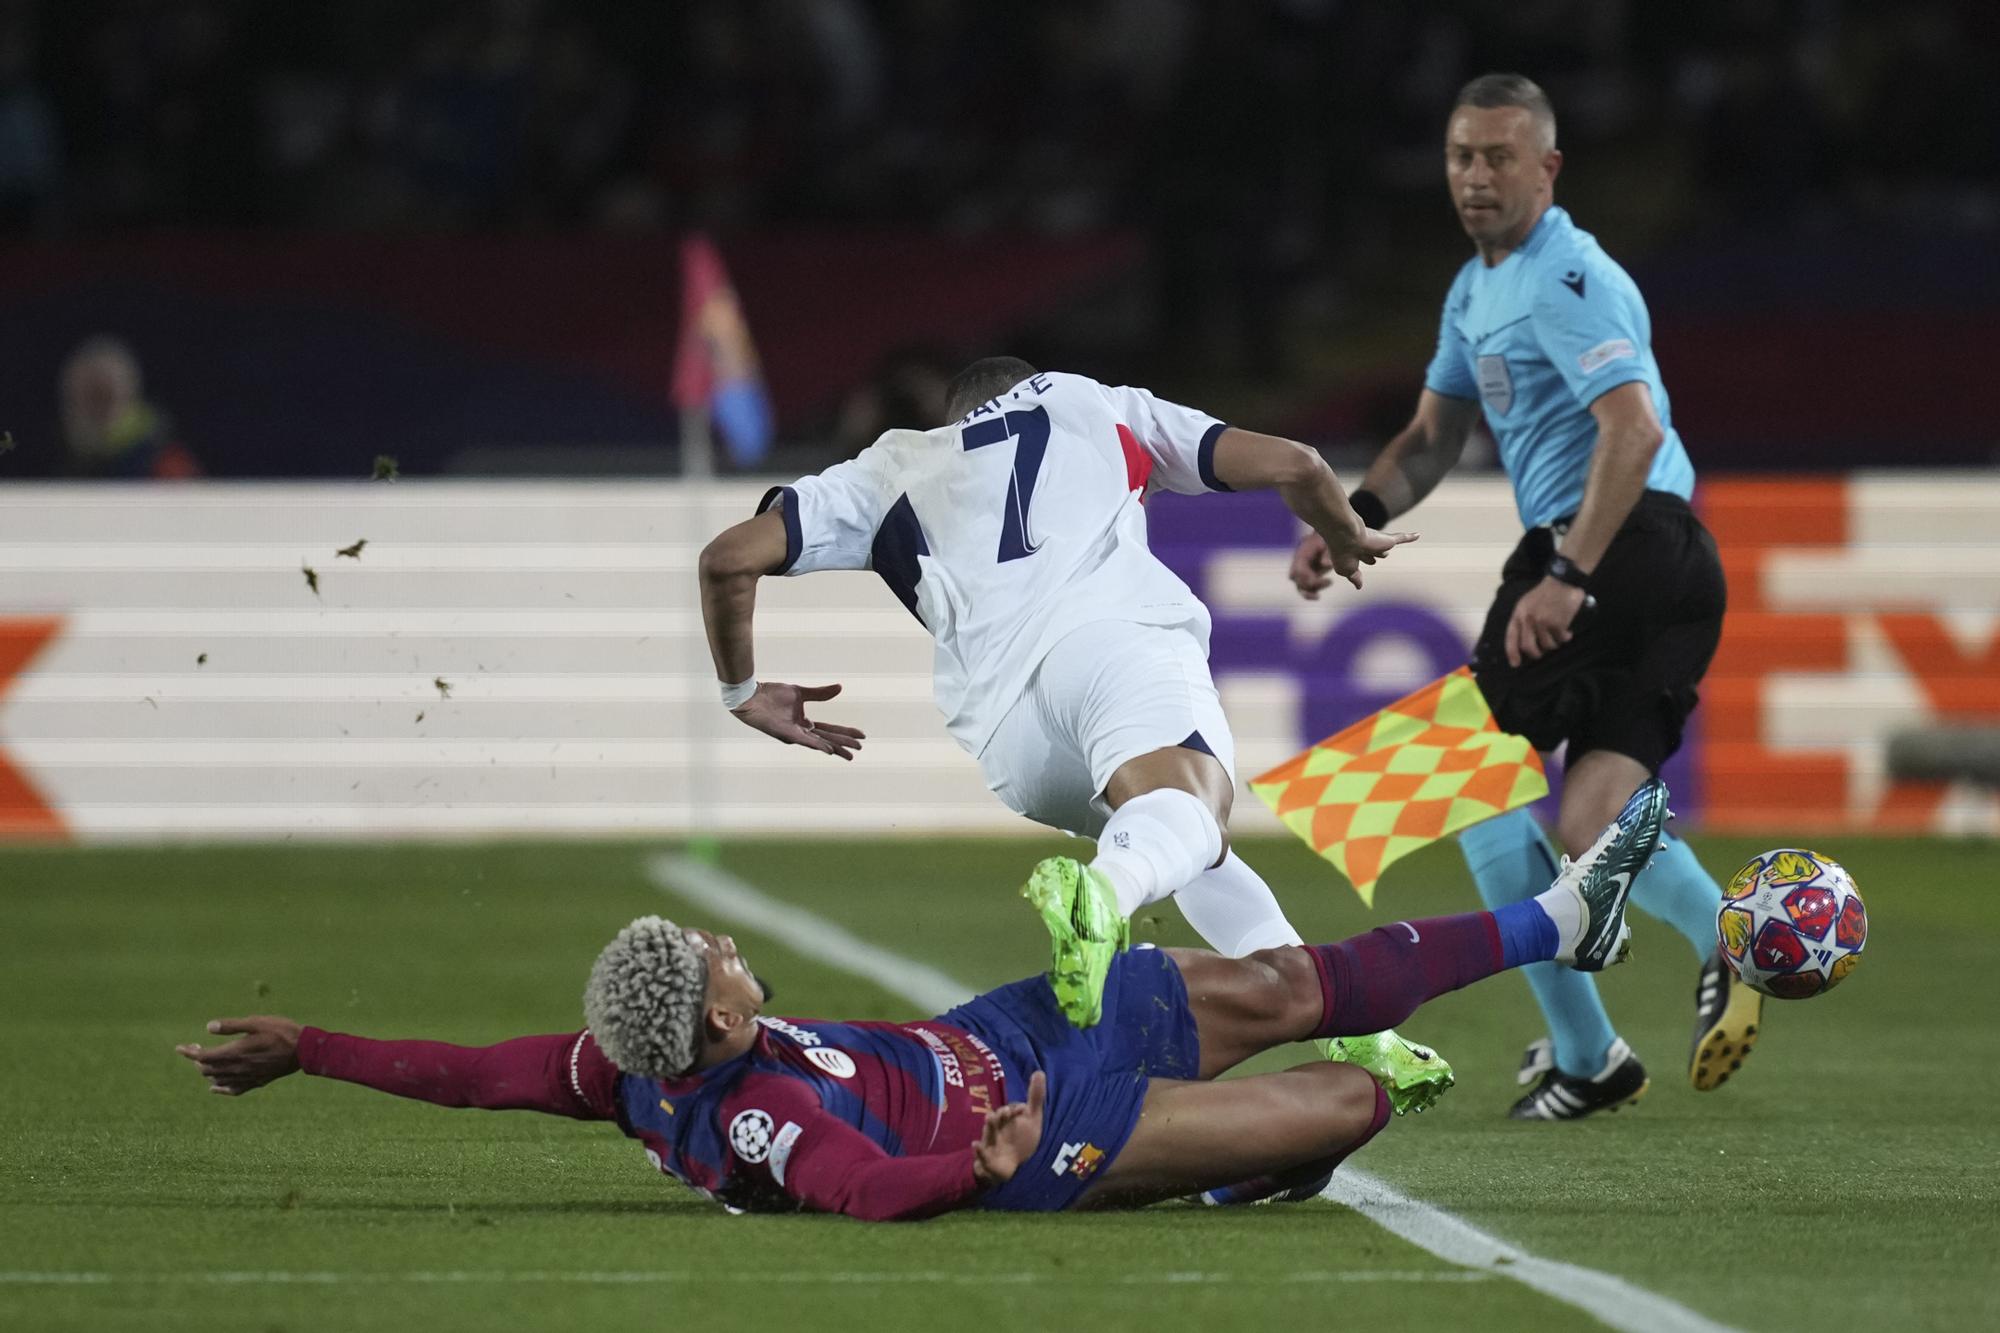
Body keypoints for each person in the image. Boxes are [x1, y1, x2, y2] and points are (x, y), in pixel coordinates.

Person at [178, 780, 1667, 1221]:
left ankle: (1560, 912)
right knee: (1343, 1098)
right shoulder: (754, 1117)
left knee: (1285, 981)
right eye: (721, 959)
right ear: (713, 1024)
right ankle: (1212, 1166)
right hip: (1043, 1123)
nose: (732, 949)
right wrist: (984, 1160)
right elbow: (865, 1186)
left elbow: (468, 1069)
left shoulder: (619, 1066)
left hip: (1002, 1029)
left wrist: (308, 1047)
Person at [698, 357, 1442, 1109]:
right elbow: (1299, 463)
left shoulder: (887, 467)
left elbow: (727, 560)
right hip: (1110, 642)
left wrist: (742, 691)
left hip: (1007, 739)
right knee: (1188, 815)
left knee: (1190, 848)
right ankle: (1102, 898)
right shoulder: (1095, 402)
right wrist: (1346, 534)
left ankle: (1355, 1031)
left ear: (958, 417)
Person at [1288, 74, 1752, 1120]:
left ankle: (1586, 1050)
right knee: (1589, 815)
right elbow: (1432, 438)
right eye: (1459, 156)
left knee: (1451, 769)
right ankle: (1726, 936)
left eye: (1499, 157)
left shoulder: (1565, 275)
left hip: (1618, 546)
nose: (1474, 176)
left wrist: (1567, 572)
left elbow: (1629, 430)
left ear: (1546, 168)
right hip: (1667, 564)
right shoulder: (1472, 287)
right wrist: (1346, 514)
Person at [58, 335, 201, 480]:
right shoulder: (61, 455)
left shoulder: (168, 463)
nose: (98, 407)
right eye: (89, 396)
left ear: (129, 393)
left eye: (105, 395)